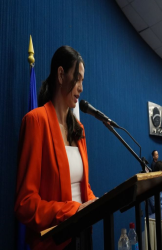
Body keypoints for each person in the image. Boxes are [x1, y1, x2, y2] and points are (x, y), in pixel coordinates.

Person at [15, 46, 97, 250]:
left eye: (82, 81)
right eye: (77, 79)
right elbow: (25, 203)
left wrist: (96, 202)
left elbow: (81, 186)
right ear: (61, 75)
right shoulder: (36, 121)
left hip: (83, 235)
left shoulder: (79, 129)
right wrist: (70, 211)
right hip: (55, 243)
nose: (81, 88)